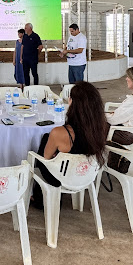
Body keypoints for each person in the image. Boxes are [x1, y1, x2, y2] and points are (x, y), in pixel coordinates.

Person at [30, 81, 108, 209]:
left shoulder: (60, 132)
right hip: (86, 175)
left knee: (44, 143)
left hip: (59, 177)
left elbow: (45, 159)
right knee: (47, 139)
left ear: (71, 102)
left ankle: (40, 198)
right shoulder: (101, 128)